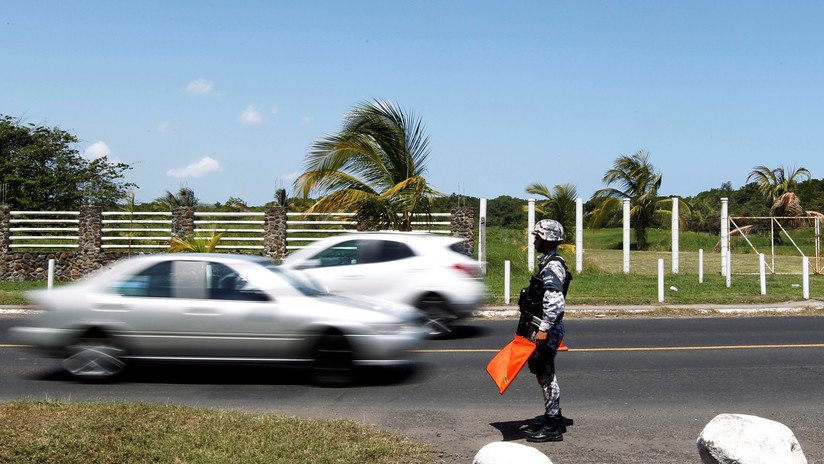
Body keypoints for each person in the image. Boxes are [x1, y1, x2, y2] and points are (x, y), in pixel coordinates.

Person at [524, 218, 570, 443]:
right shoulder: (549, 262)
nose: (534, 241)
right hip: (547, 326)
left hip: (548, 328)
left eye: (537, 237)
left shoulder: (553, 266)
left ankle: (553, 427)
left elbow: (555, 301)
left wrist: (543, 328)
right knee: (543, 373)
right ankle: (554, 418)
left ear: (546, 240)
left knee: (546, 374)